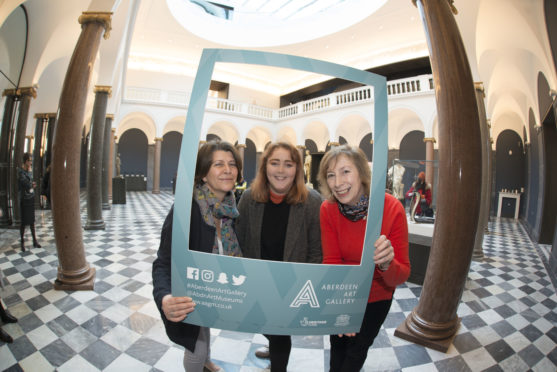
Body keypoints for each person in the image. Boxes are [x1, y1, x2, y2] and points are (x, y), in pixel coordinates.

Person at [317, 145, 410, 371]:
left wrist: (387, 263)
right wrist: (342, 306)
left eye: (345, 171)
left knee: (355, 353)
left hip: (376, 298)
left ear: (362, 173)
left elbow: (401, 274)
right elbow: (332, 261)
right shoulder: (328, 209)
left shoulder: (391, 208)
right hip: (340, 293)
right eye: (331, 175)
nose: (338, 182)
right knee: (337, 349)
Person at [152, 140, 243, 372]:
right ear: (203, 174)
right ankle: (200, 362)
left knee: (205, 330)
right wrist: (165, 298)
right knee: (196, 345)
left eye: (232, 164)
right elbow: (163, 262)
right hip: (191, 295)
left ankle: (207, 363)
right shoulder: (187, 209)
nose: (228, 170)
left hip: (215, 290)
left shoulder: (233, 207)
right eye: (218, 164)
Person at [235, 142, 322, 372]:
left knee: (281, 332)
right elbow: (239, 243)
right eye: (275, 163)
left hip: (292, 286)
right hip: (258, 282)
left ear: (297, 169)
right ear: (265, 167)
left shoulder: (313, 201)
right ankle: (273, 343)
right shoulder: (249, 199)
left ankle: (278, 364)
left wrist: (305, 285)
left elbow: (316, 251)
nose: (281, 170)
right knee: (266, 325)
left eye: (288, 164)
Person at [18, 152, 41, 251]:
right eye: (30, 161)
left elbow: (30, 183)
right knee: (24, 222)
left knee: (32, 221)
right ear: (26, 161)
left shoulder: (29, 171)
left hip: (30, 197)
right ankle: (22, 242)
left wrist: (32, 184)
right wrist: (31, 184)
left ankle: (34, 241)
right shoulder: (20, 172)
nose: (31, 162)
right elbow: (26, 183)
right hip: (24, 199)